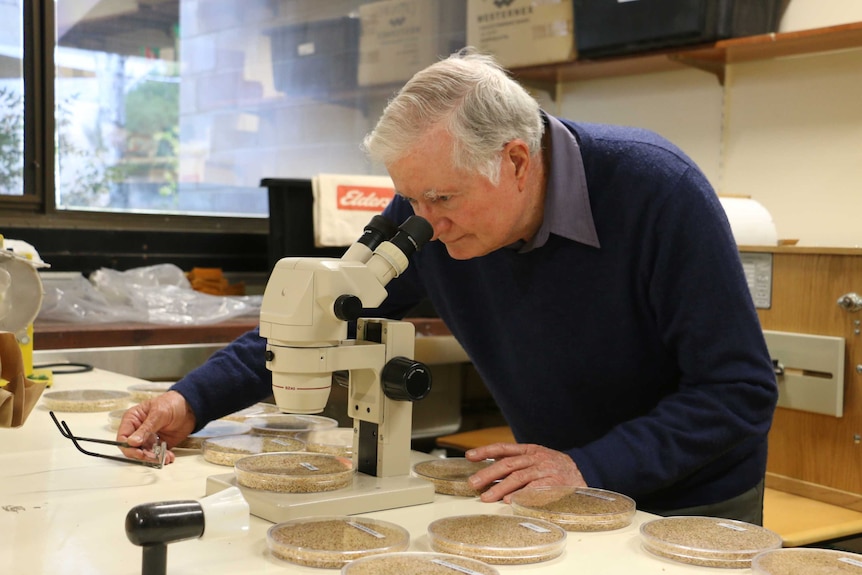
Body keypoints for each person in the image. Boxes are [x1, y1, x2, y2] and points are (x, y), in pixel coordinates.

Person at [118, 48, 778, 524]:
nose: (423, 222)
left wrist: (588, 467)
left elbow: (738, 389)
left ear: (516, 161)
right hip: (550, 489)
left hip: (689, 501)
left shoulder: (658, 192)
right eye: (409, 198)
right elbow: (326, 312)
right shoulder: (425, 211)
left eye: (441, 197)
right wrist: (190, 400)